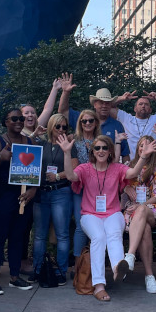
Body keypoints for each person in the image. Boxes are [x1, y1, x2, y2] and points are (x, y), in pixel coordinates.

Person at [58, 132, 154, 301]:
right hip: (89, 215)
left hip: (112, 213)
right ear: (92, 151)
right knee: (99, 237)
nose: (101, 151)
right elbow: (71, 176)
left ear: (110, 151)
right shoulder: (85, 168)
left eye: (104, 148)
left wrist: (144, 157)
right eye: (97, 148)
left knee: (114, 235)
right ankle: (99, 286)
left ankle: (118, 268)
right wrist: (67, 153)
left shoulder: (116, 168)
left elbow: (132, 173)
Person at [0, 108, 39, 295]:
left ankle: (15, 276)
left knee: (18, 236)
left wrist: (33, 189)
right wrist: (0, 157)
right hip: (2, 195)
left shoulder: (30, 142)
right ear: (6, 122)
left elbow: (36, 171)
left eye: (21, 118)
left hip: (24, 196)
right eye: (14, 118)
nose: (18, 121)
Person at [121, 134, 156, 293]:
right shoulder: (128, 165)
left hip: (151, 209)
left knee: (141, 212)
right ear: (137, 148)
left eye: (147, 146)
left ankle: (130, 255)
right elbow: (117, 182)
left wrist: (142, 205)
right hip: (132, 211)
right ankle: (149, 276)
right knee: (145, 229)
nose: (144, 148)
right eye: (141, 145)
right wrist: (126, 187)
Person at [32, 113, 74, 282]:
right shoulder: (40, 144)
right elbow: (22, 148)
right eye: (58, 126)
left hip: (60, 192)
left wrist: (58, 176)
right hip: (41, 193)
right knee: (39, 235)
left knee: (62, 234)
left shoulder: (70, 145)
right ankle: (38, 269)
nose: (61, 129)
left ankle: (61, 271)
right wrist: (34, 134)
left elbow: (75, 169)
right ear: (51, 127)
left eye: (65, 127)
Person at [57, 79, 131, 161]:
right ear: (95, 104)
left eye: (107, 103)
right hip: (79, 171)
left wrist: (127, 171)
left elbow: (125, 154)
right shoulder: (83, 118)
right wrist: (65, 92)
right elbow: (63, 111)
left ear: (111, 105)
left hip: (107, 171)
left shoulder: (117, 125)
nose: (104, 106)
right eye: (101, 102)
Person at [68, 107, 103, 260]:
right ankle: (79, 264)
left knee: (99, 225)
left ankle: (96, 262)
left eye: (91, 120)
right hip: (80, 188)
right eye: (84, 121)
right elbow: (74, 167)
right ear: (80, 123)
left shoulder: (102, 141)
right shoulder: (73, 140)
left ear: (96, 123)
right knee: (81, 225)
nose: (88, 123)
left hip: (99, 189)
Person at [112, 90, 156, 155]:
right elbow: (108, 106)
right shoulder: (126, 118)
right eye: (140, 104)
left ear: (150, 110)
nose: (143, 106)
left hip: (152, 164)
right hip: (131, 164)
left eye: (146, 104)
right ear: (135, 109)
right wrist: (122, 98)